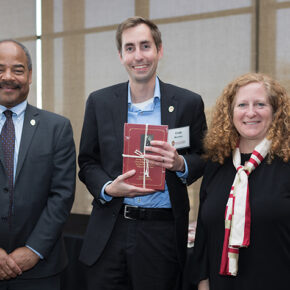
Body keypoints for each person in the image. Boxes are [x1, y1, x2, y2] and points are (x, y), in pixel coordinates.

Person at [78, 16, 207, 290]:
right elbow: (88, 161)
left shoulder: (187, 103)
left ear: (160, 50)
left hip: (161, 233)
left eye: (145, 46)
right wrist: (108, 188)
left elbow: (204, 157)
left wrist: (180, 162)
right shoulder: (99, 102)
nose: (139, 56)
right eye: (130, 48)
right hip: (110, 228)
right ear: (121, 55)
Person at [191, 72, 290, 290]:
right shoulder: (216, 164)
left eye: (260, 104)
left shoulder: (286, 164)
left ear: (276, 111)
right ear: (230, 113)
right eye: (242, 105)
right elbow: (204, 238)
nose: (251, 112)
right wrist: (203, 283)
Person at [0, 39, 76, 289]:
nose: (8, 77)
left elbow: (62, 195)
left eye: (17, 69)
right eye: (0, 69)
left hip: (40, 269)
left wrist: (34, 250)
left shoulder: (57, 128)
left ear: (30, 75)